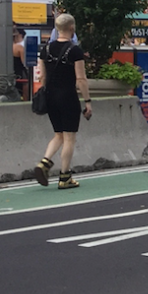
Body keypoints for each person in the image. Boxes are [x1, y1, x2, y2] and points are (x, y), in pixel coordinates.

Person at [32, 13, 91, 190]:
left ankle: (45, 162)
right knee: (69, 137)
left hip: (50, 96)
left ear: (56, 29)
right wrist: (87, 101)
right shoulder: (74, 51)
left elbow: (42, 76)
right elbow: (81, 79)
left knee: (58, 134)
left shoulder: (46, 49)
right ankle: (65, 176)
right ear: (72, 29)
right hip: (67, 96)